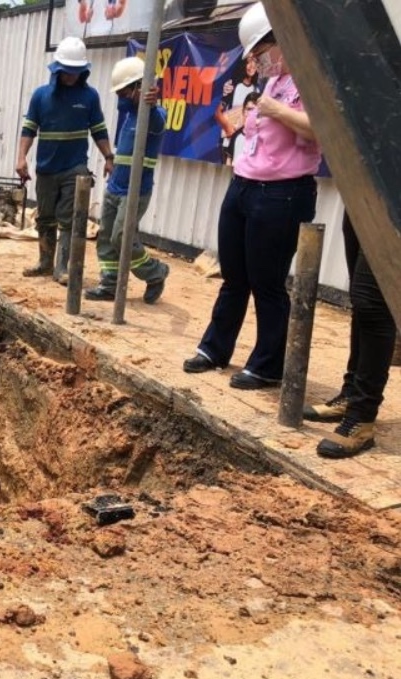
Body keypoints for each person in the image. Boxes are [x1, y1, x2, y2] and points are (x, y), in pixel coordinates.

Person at [182, 2, 321, 390]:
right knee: (235, 275)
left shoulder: (310, 80)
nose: (260, 63)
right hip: (244, 185)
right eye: (256, 57)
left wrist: (275, 109)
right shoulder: (272, 83)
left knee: (267, 281)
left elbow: (319, 131)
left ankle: (267, 364)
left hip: (282, 194)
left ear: (282, 40)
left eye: (262, 53)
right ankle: (215, 348)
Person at [16, 36, 114, 283]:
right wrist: (21, 158)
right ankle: (45, 262)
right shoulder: (41, 96)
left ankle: (62, 268)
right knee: (45, 217)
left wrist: (109, 157)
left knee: (68, 218)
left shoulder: (90, 97)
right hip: (47, 168)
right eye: (66, 72)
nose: (70, 77)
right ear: (57, 70)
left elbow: (99, 131)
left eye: (75, 72)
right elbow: (29, 129)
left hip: (75, 167)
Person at [304, 213, 397, 458]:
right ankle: (351, 395)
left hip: (392, 200)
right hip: (363, 193)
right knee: (361, 301)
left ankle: (362, 418)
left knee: (373, 305)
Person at [83, 56, 170, 303]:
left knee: (122, 236)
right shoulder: (129, 113)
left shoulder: (154, 114)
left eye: (124, 91)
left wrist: (150, 105)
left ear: (138, 88)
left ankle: (155, 273)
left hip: (135, 190)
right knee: (106, 237)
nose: (120, 97)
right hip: (115, 187)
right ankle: (109, 284)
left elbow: (156, 121)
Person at [215, 55, 261, 166]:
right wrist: (228, 128)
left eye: (255, 62)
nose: (251, 66)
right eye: (248, 62)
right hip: (229, 141)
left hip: (246, 141)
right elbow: (218, 113)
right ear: (243, 64)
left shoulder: (257, 90)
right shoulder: (233, 86)